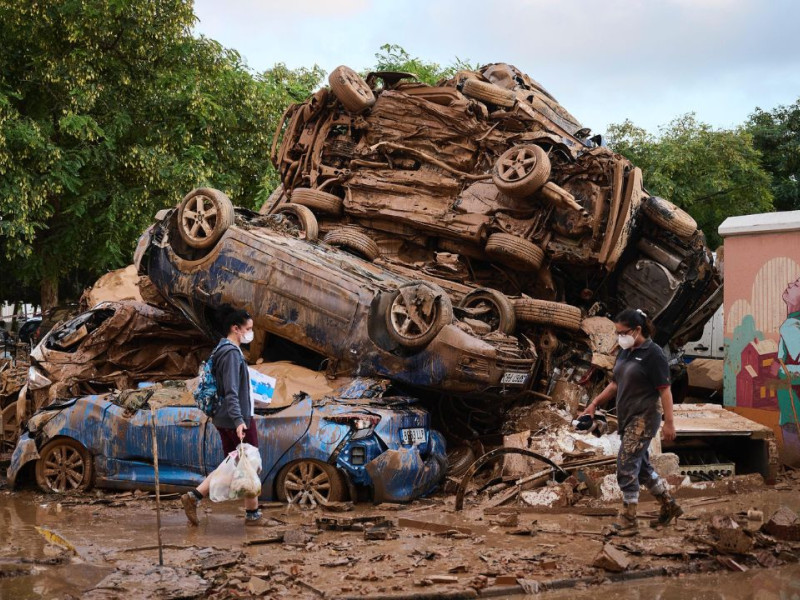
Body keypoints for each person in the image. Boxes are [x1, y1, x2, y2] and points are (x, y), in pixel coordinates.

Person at [580, 308, 682, 536]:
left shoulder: (653, 354)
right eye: (617, 333)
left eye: (622, 332)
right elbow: (615, 384)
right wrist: (594, 403)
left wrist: (669, 423)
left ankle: (629, 518)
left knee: (626, 464)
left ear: (637, 330)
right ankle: (670, 505)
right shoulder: (625, 353)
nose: (619, 337)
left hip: (645, 418)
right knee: (643, 468)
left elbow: (665, 391)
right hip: (628, 418)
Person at [181, 307, 262, 526]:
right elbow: (231, 391)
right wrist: (239, 421)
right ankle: (252, 516)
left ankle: (194, 497)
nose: (250, 333)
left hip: (227, 417)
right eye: (248, 329)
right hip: (234, 418)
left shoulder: (223, 350)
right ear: (236, 328)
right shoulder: (231, 354)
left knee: (235, 463)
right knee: (249, 462)